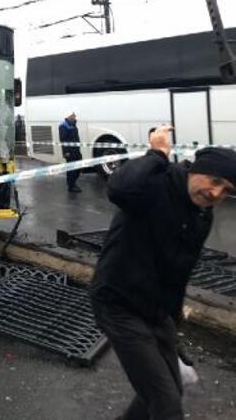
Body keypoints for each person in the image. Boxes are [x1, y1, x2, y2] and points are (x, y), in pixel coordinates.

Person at [90, 125, 236, 420]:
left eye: (227, 191)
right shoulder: (155, 185)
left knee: (170, 391)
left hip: (156, 312)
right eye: (215, 180)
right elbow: (119, 187)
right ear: (198, 169)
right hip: (118, 303)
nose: (216, 192)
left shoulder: (201, 216)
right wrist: (156, 154)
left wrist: (173, 320)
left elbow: (178, 271)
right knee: (165, 403)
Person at [59, 111, 82, 192]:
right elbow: (63, 140)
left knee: (79, 167)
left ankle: (73, 183)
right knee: (71, 169)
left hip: (76, 150)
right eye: (73, 116)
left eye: (75, 116)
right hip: (69, 151)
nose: (75, 117)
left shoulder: (73, 124)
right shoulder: (63, 126)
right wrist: (66, 152)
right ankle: (71, 186)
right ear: (69, 116)